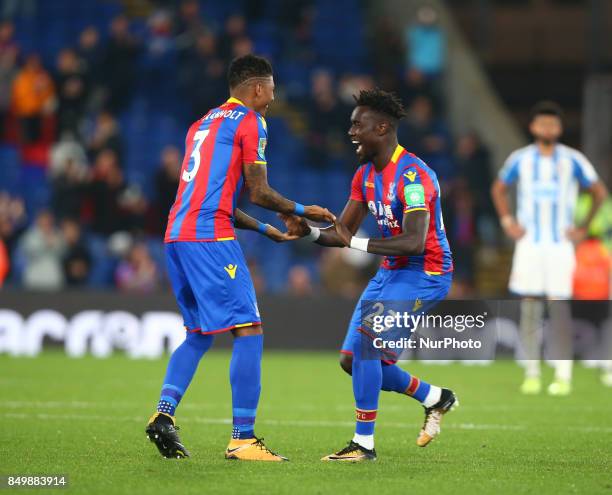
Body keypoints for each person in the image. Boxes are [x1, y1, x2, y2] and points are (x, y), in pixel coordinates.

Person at [146, 54, 335, 461]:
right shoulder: (251, 121)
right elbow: (259, 190)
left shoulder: (201, 125)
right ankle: (242, 438)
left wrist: (268, 230)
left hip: (176, 235)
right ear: (255, 88)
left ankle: (163, 415)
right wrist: (303, 210)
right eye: (270, 90)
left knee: (198, 334)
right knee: (249, 329)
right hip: (210, 238)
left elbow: (218, 197)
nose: (272, 99)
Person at [283, 88, 457, 461]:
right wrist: (309, 232)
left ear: (382, 127)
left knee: (365, 346)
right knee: (352, 359)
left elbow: (412, 242)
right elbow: (341, 232)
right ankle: (435, 397)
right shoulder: (364, 175)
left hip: (425, 272)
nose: (351, 132)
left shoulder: (413, 175)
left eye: (357, 125)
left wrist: (358, 245)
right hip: (391, 271)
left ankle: (363, 444)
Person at [491, 101, 608, 396]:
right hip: (530, 243)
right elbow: (498, 188)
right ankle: (531, 371)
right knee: (530, 308)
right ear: (533, 127)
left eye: (552, 124)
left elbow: (599, 191)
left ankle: (562, 374)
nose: (547, 128)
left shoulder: (572, 159)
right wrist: (507, 221)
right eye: (542, 124)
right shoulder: (521, 158)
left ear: (559, 128)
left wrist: (582, 227)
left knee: (559, 308)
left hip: (559, 245)